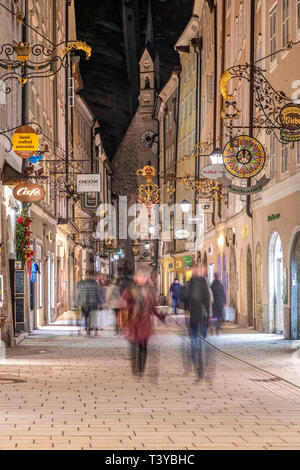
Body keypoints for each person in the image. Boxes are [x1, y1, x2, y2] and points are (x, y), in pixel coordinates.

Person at [121, 270, 166, 377]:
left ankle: (141, 368)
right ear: (136, 279)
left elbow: (152, 308)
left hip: (144, 322)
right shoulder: (129, 290)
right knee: (134, 346)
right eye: (139, 277)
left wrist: (161, 316)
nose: (141, 279)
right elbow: (123, 304)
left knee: (143, 346)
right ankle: (135, 368)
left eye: (143, 277)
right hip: (133, 321)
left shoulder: (149, 291)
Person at [184, 264, 210, 380]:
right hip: (194, 317)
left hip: (200, 316)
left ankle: (199, 369)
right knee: (195, 342)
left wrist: (208, 314)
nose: (197, 271)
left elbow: (207, 299)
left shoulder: (202, 283)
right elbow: (185, 298)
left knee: (197, 342)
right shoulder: (190, 283)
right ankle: (197, 367)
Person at [76, 271, 103, 336]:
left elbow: (79, 293)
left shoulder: (83, 283)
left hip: (88, 303)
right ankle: (92, 330)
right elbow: (80, 293)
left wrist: (78, 302)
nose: (88, 276)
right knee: (92, 317)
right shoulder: (94, 283)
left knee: (88, 317)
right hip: (91, 302)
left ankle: (90, 330)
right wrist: (100, 302)